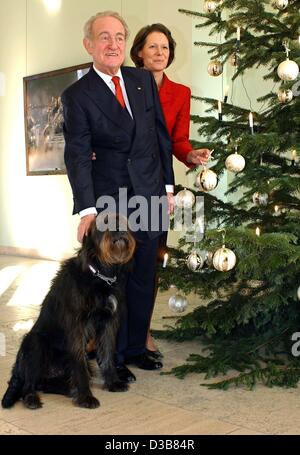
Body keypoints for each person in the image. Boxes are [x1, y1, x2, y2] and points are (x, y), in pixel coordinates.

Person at [62, 11, 175, 384]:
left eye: (119, 37)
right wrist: (88, 209)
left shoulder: (142, 80)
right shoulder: (77, 95)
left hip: (151, 194)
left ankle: (135, 350)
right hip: (110, 202)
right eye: (104, 37)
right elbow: (77, 153)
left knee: (145, 276)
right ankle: (112, 359)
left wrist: (169, 188)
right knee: (115, 282)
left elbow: (160, 138)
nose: (113, 45)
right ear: (89, 45)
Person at [130, 23, 211, 357]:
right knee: (116, 259)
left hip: (159, 182)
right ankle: (102, 331)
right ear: (139, 53)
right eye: (153, 47)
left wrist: (190, 155)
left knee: (150, 262)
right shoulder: (123, 84)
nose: (160, 53)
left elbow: (177, 139)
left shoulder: (180, 93)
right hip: (123, 181)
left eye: (165, 47)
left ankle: (142, 332)